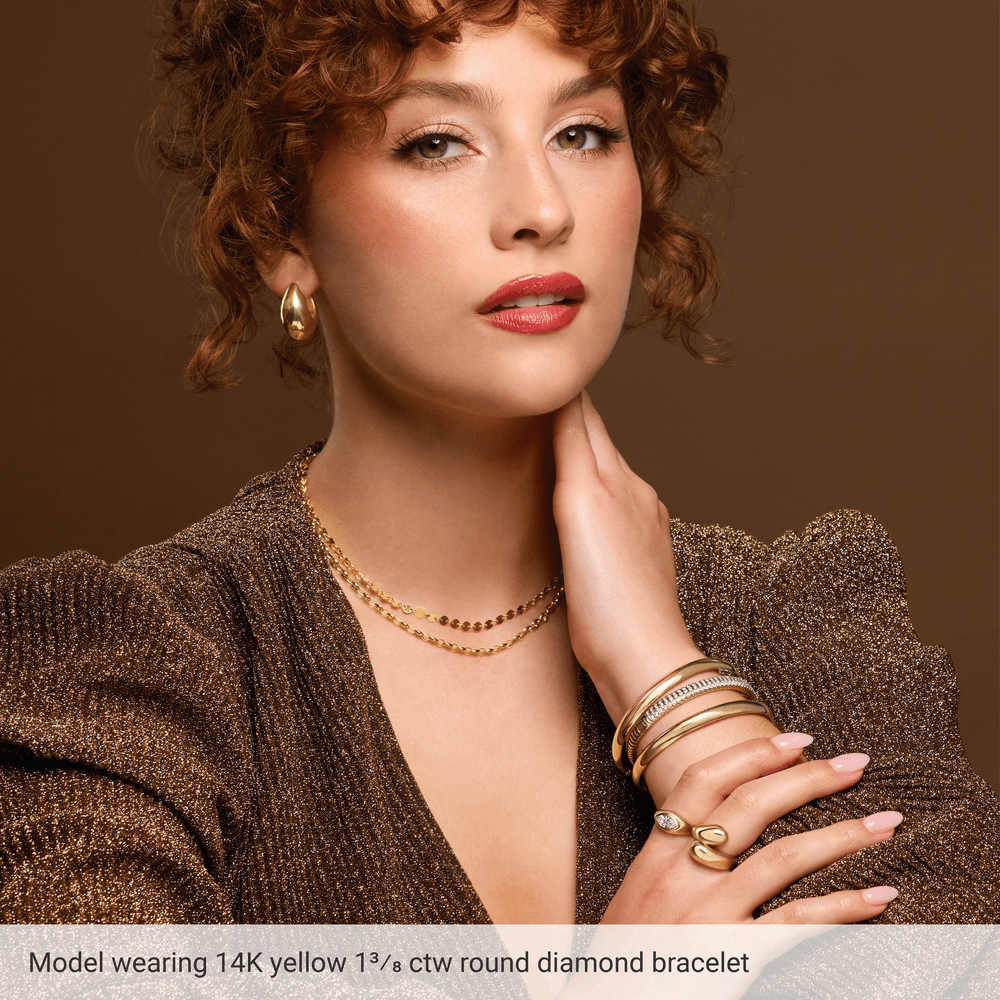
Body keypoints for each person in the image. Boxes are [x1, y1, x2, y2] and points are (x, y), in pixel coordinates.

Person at [0, 0, 996, 940]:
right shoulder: (129, 671)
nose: (541, 208)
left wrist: (666, 680)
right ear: (280, 231)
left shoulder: (798, 622)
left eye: (583, 133)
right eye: (438, 142)